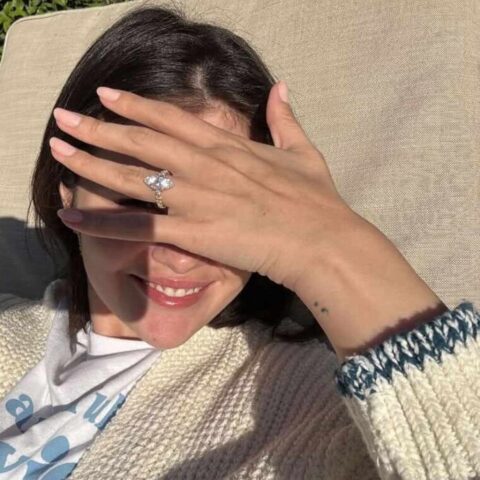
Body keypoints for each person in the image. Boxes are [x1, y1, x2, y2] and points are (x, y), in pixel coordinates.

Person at [1, 4, 479, 480]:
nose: (181, 259)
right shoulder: (11, 328)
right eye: (138, 202)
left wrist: (330, 246)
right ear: (68, 191)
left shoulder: (306, 401)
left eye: (224, 216)